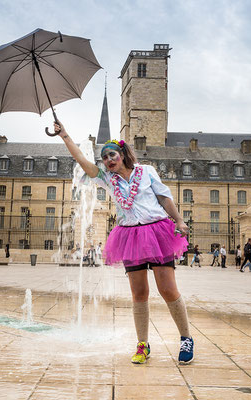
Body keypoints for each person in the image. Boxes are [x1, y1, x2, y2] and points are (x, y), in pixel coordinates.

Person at [56, 121, 194, 365]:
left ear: (122, 155)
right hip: (130, 236)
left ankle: (186, 338)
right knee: (139, 293)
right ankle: (143, 344)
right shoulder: (107, 179)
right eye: (105, 157)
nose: (109, 160)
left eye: (112, 154)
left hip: (157, 232)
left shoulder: (147, 171)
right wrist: (65, 135)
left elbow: (164, 197)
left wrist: (179, 220)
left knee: (168, 289)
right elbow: (83, 163)